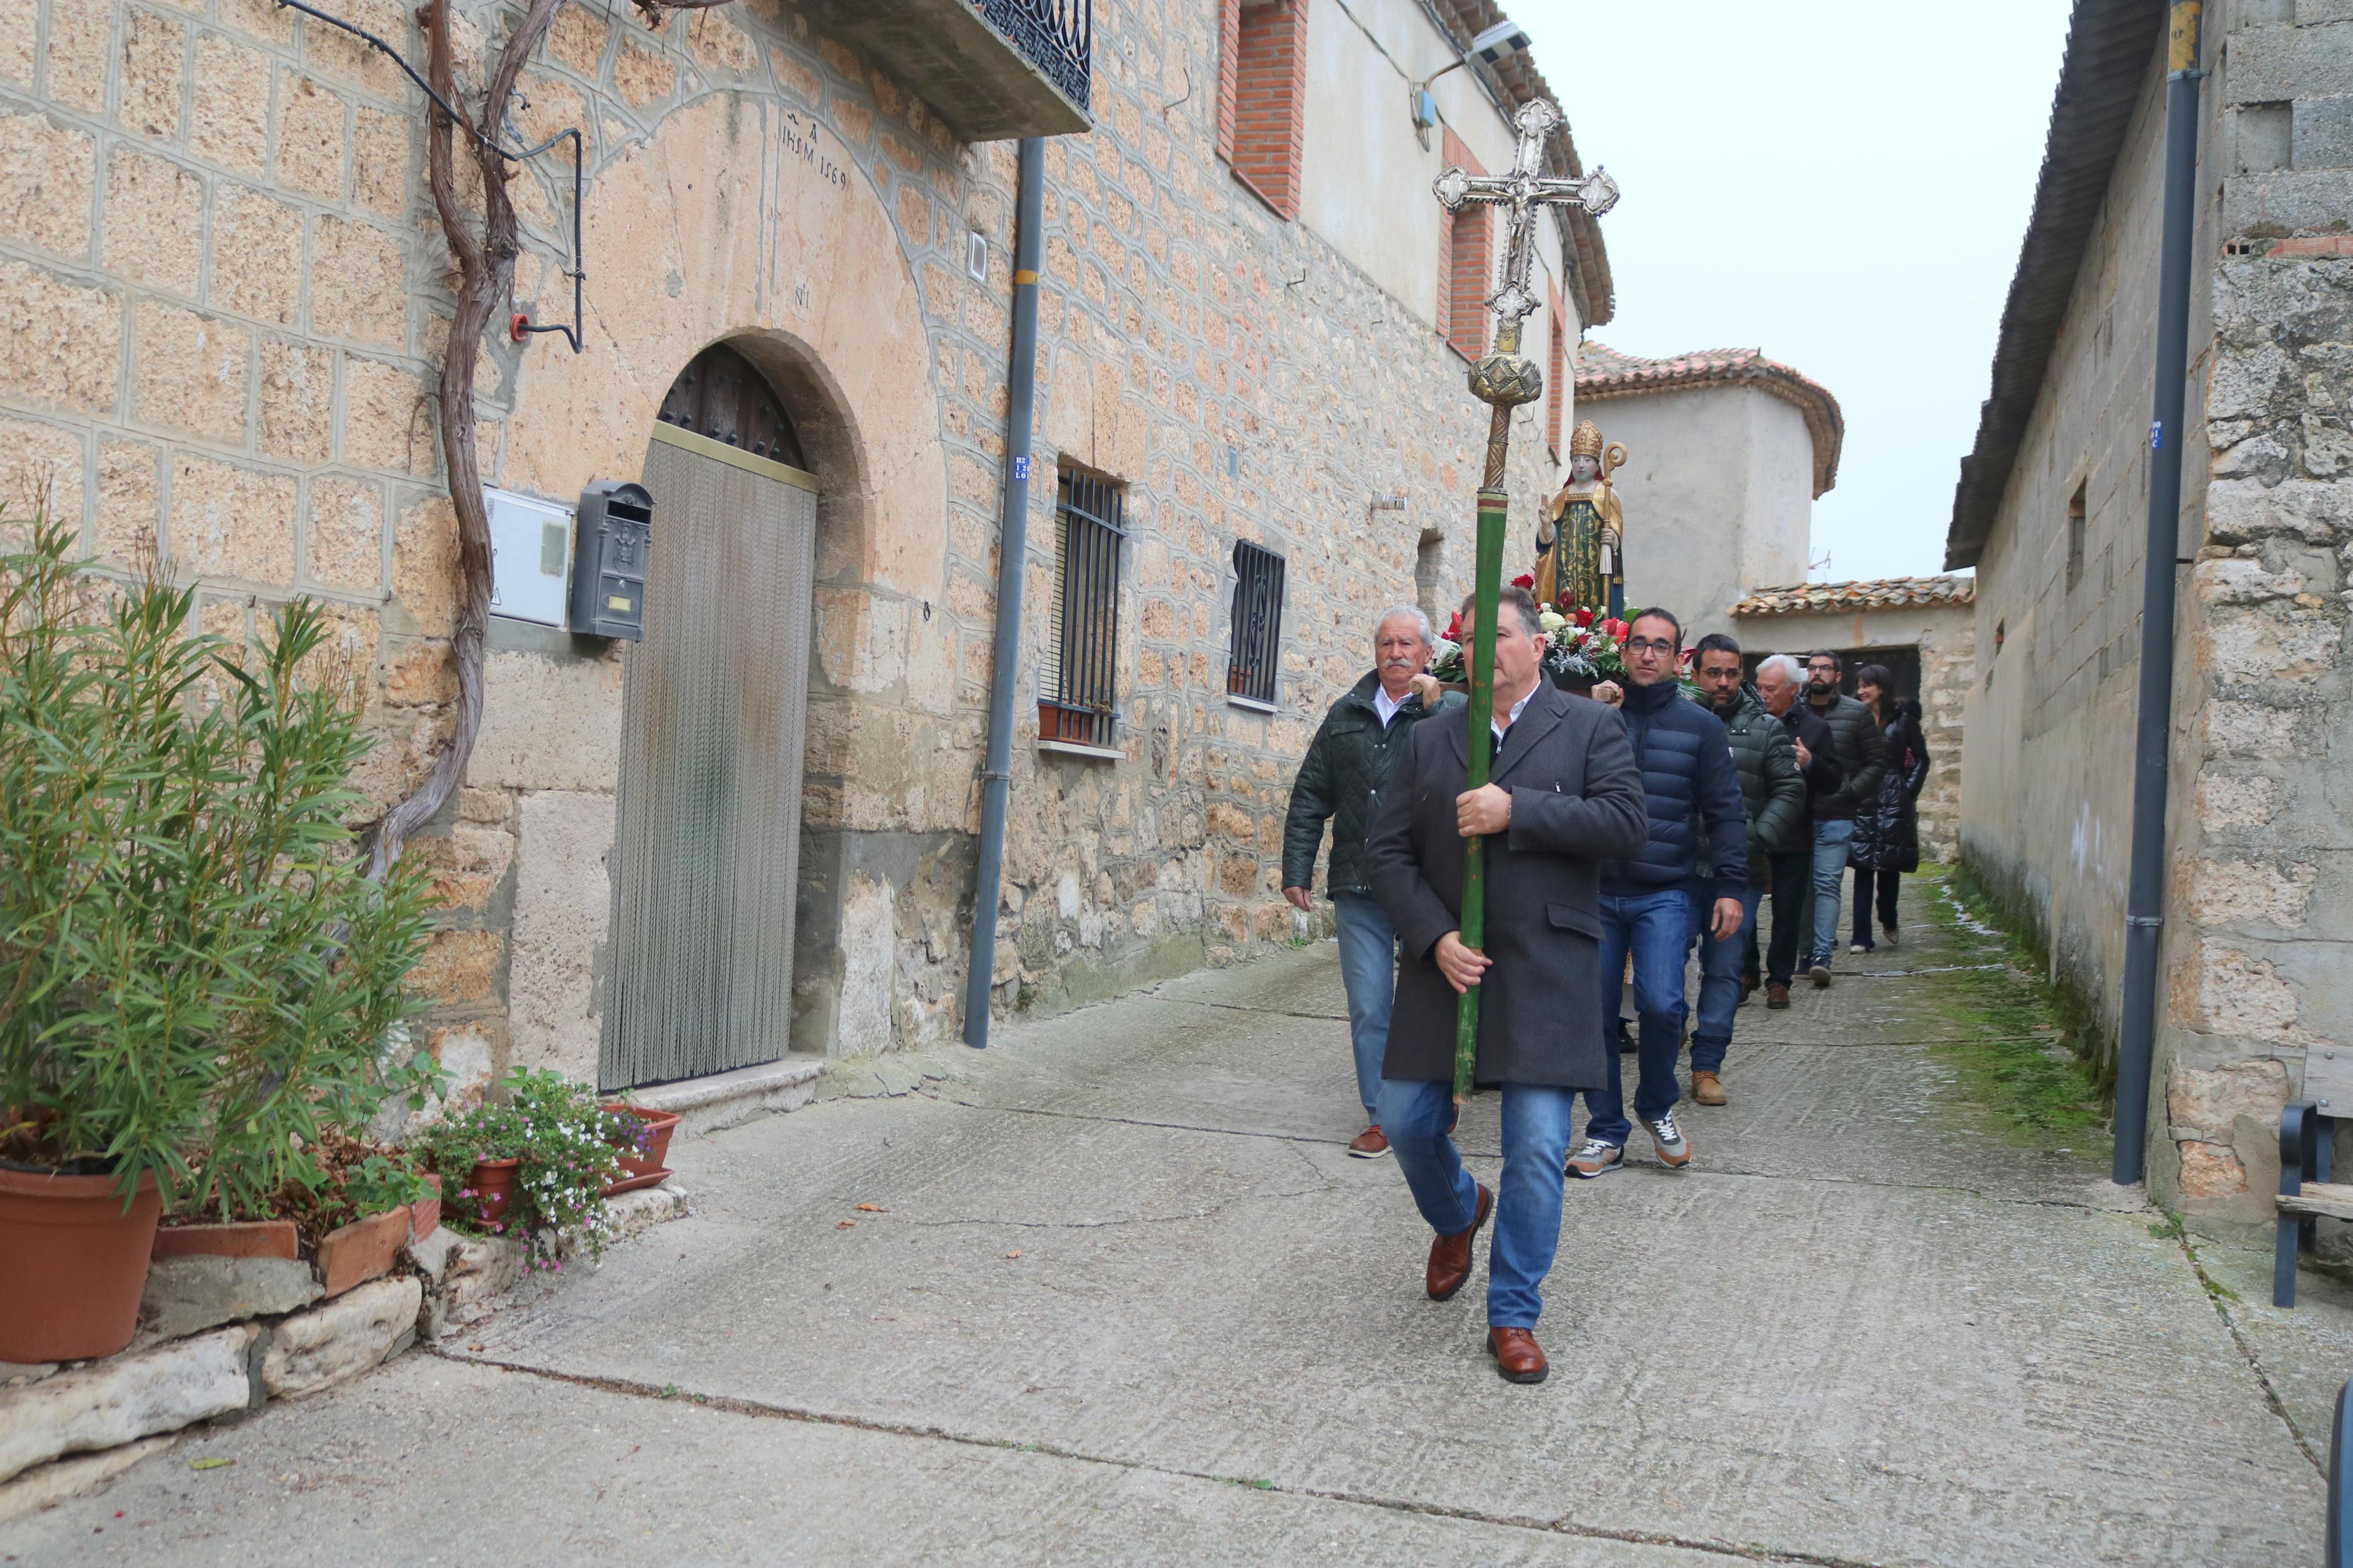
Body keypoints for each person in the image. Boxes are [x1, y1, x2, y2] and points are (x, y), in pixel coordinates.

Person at [1362, 585, 1646, 1384]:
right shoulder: (1430, 737)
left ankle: (1512, 1311)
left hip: (1545, 969)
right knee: (1405, 1118)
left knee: (1531, 1146)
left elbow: (1626, 825)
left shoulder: (1588, 724)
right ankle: (1457, 1208)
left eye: (1502, 634)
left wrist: (1515, 808)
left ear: (1536, 646)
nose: (1486, 650)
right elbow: (1384, 853)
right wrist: (1435, 935)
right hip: (1446, 965)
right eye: (1472, 637)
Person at [1567, 608, 1745, 1179]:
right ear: (1623, 653)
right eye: (1638, 644)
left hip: (1666, 891)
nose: (1647, 654)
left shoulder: (1701, 728)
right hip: (1595, 888)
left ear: (1678, 657)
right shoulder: (1594, 719)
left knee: (1663, 1004)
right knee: (1591, 1013)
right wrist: (1594, 712)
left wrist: (1730, 887)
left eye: (1660, 646)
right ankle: (1604, 1132)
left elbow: (1724, 813)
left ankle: (1653, 1106)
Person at [1282, 606, 1463, 1158]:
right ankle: (1382, 1116)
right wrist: (1296, 868)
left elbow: (1484, 750)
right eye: (1386, 642)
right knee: (1368, 1003)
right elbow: (1312, 792)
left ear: (1429, 654)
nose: (1395, 653)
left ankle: (1436, 1095)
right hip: (1359, 882)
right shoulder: (1346, 713)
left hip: (1427, 884)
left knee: (1430, 1000)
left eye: (1407, 643)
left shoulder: (1447, 710)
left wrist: (1442, 704)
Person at [1688, 634, 1803, 1105]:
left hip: (1739, 873)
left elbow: (1790, 791)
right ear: (1695, 673)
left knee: (1723, 968)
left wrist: (1753, 837)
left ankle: (1706, 1066)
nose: (1722, 681)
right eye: (1713, 672)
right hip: (1676, 869)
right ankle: (1667, 1037)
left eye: (1731, 672)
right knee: (1666, 967)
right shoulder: (1678, 723)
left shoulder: (1766, 728)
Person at [1749, 655, 1841, 1009]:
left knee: (1787, 914)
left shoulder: (1815, 729)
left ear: (1792, 690)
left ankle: (1779, 980)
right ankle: (1747, 974)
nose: (1763, 695)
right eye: (1759, 688)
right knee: (1742, 908)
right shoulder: (1750, 721)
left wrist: (1811, 763)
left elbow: (1834, 781)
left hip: (1793, 834)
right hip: (1751, 832)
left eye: (1770, 689)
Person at [1800, 649, 1886, 988]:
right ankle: (1805, 953)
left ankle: (1822, 955)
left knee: (1826, 884)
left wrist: (1850, 793)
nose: (1817, 673)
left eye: (1824, 668)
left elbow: (1876, 763)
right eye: (1812, 668)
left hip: (1836, 814)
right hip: (1797, 814)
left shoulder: (1857, 713)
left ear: (1838, 676)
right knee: (1801, 888)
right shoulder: (1795, 710)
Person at [1846, 669, 1931, 952]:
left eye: (1867, 686)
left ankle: (1888, 916)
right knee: (1862, 865)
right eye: (1859, 687)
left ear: (1882, 688)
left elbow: (1921, 758)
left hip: (1894, 795)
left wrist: (1908, 790)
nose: (1861, 692)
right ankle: (1860, 937)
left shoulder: (1904, 720)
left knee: (1889, 867)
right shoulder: (1856, 717)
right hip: (1864, 795)